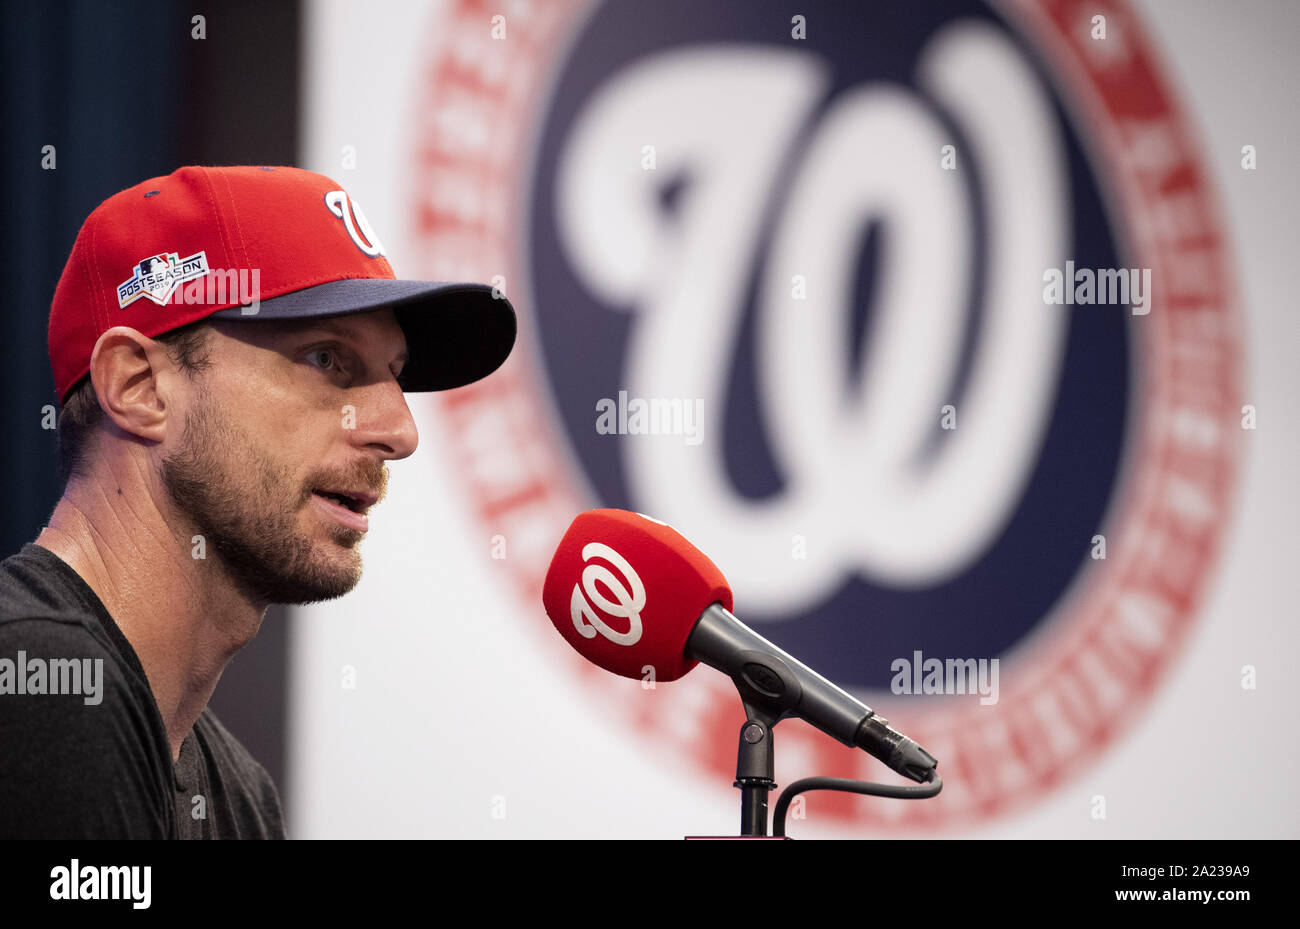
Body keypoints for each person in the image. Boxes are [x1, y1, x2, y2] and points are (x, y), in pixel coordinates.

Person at [0, 165, 516, 838]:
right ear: (139, 387)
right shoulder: (45, 683)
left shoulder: (239, 794)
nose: (400, 431)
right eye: (328, 359)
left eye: (394, 374)